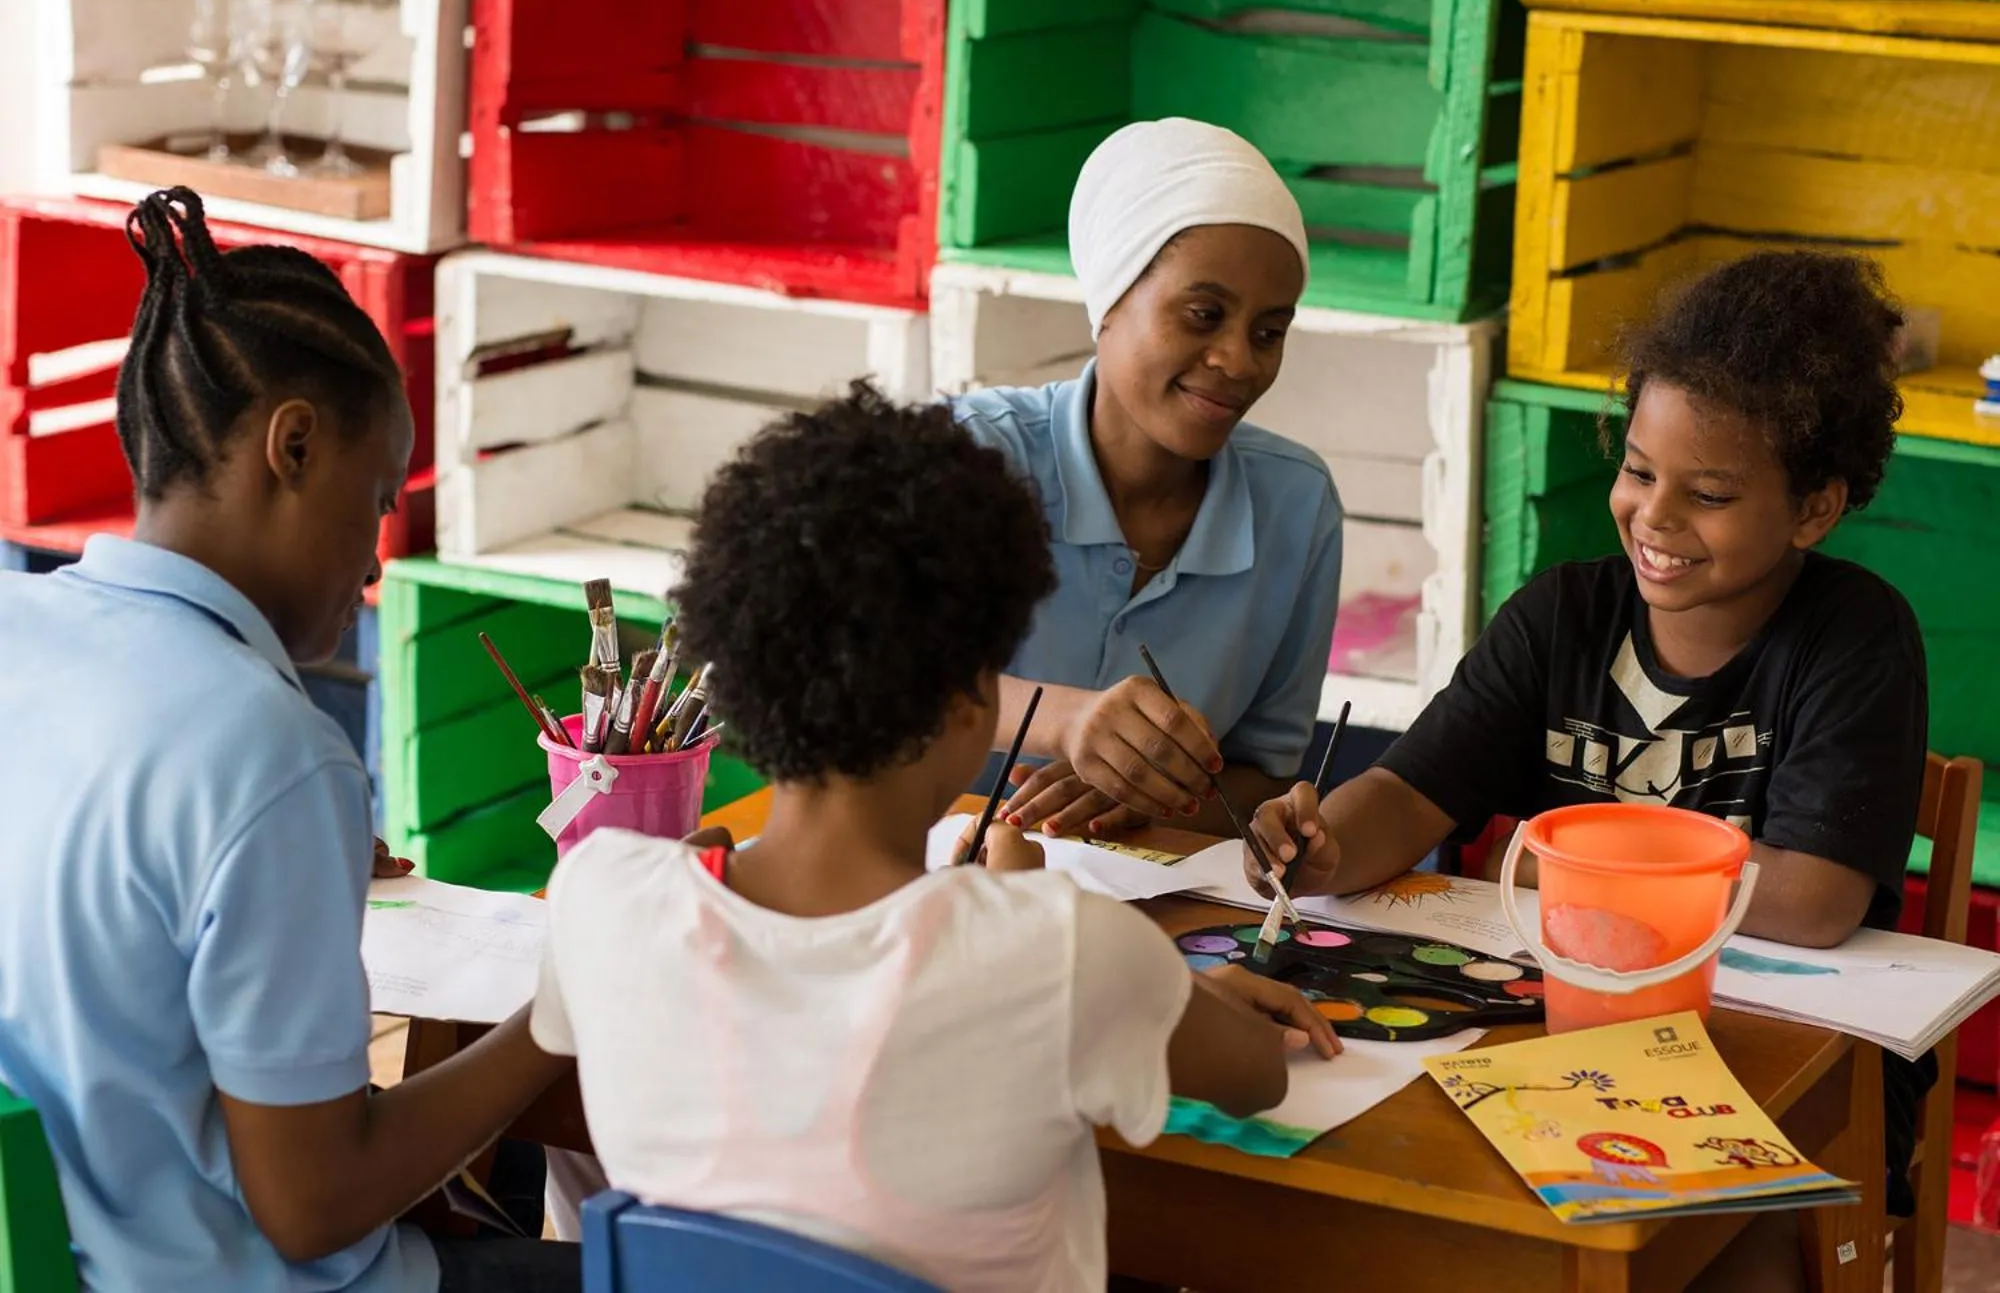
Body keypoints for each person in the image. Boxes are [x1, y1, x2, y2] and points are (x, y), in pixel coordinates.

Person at [531, 386, 1338, 1292]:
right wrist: (1065, 931)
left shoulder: (602, 896)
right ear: (971, 702)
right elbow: (1258, 1078)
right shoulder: (1060, 948)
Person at [1245, 251, 1934, 1290]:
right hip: (1568, 1038)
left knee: (1730, 1258)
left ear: (1811, 509)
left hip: (1789, 1066)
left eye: (1707, 493)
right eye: (1638, 471)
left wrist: (1562, 868)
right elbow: (1405, 792)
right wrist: (1328, 840)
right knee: (1386, 1202)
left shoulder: (1850, 637)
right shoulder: (1559, 617)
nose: (1654, 519)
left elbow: (1815, 899)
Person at [0, 188, 578, 1292]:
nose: (372, 565)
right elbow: (314, 1206)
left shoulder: (15, 629)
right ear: (294, 446)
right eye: (372, 502)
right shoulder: (271, 751)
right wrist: (560, 1014)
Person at [952, 118, 1343, 842]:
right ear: (1110, 298)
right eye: (1204, 314)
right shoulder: (972, 455)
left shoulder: (1298, 504)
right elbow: (875, 689)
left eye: (1269, 331)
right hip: (926, 882)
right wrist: (1068, 721)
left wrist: (1154, 796)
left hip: (1142, 893)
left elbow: (1263, 769)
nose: (1238, 359)